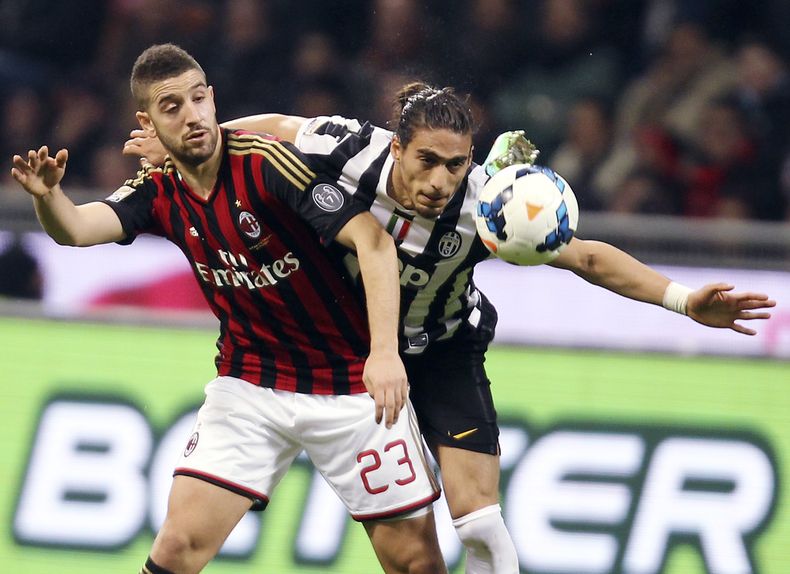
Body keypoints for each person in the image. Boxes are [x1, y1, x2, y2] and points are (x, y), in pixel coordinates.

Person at [125, 81, 776, 574]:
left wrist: (686, 300)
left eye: (456, 165)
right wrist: (183, 140)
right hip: (351, 356)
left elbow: (587, 257)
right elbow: (274, 126)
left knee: (480, 523)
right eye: (427, 161)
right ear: (397, 145)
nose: (440, 182)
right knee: (404, 552)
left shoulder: (487, 204)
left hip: (442, 349)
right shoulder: (346, 150)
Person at [12, 44, 447, 574]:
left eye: (198, 98)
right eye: (172, 108)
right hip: (250, 386)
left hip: (350, 385)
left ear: (213, 99)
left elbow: (374, 245)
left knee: (415, 562)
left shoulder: (267, 165)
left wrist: (384, 355)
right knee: (177, 546)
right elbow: (78, 229)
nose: (191, 115)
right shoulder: (157, 191)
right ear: (148, 122)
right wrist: (47, 198)